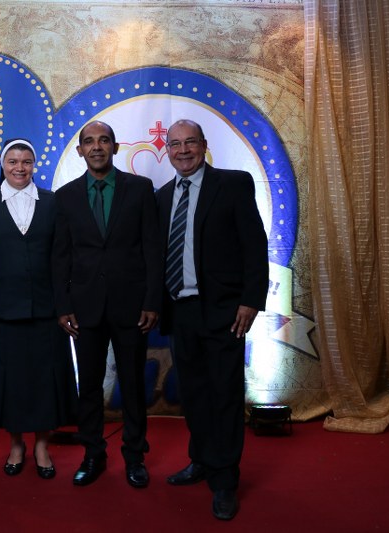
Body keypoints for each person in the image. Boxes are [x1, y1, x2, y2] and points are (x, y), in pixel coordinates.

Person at [156, 119, 269, 521]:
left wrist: (250, 300)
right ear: (166, 150)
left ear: (204, 145)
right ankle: (202, 459)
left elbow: (254, 245)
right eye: (175, 144)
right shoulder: (162, 196)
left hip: (224, 312)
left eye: (190, 142)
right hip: (180, 311)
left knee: (224, 395)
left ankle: (224, 481)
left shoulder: (233, 184)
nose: (183, 150)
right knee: (194, 395)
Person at [52, 121, 161, 488]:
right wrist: (63, 305)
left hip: (133, 307)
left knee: (132, 385)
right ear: (80, 151)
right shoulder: (65, 196)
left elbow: (153, 249)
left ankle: (135, 457)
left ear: (115, 147)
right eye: (89, 141)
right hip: (85, 309)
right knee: (89, 387)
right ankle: (93, 454)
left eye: (103, 140)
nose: (96, 146)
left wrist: (152, 300)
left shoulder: (140, 189)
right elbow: (60, 257)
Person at [0, 139, 77, 480]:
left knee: (45, 380)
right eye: (13, 161)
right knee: (11, 382)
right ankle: (16, 444)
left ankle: (42, 446)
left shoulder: (53, 202)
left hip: (47, 309)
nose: (20, 167)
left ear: (34, 164)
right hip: (2, 310)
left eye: (26, 161)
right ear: (3, 165)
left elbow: (62, 255)